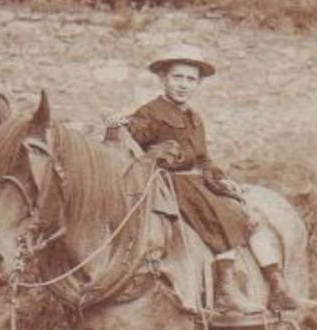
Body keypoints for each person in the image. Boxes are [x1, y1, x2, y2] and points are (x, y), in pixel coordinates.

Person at [114, 44, 295, 314]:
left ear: (197, 84)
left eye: (191, 79)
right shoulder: (150, 112)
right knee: (218, 217)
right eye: (177, 77)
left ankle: (277, 285)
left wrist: (221, 179)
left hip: (197, 181)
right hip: (170, 183)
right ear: (163, 79)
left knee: (247, 213)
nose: (183, 85)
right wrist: (123, 123)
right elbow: (137, 131)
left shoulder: (195, 118)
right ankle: (225, 290)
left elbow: (202, 158)